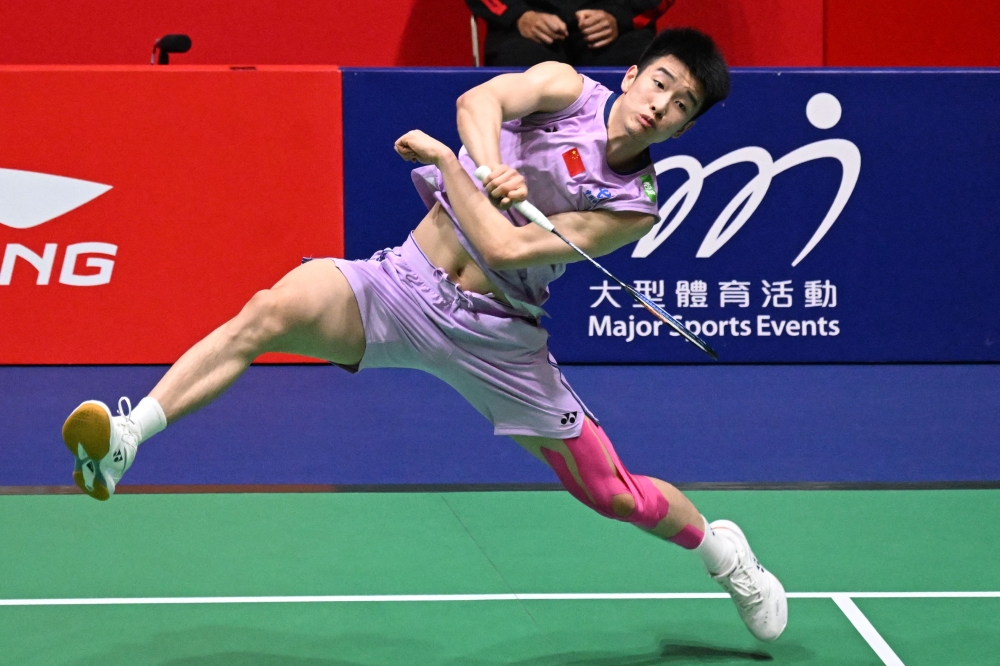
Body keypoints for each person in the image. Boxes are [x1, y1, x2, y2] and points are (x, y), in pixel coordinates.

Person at [61, 28, 787, 642]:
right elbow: (481, 100)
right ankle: (128, 437)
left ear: (684, 129)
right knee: (268, 310)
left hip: (498, 338)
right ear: (630, 76)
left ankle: (724, 553)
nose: (659, 105)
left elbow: (504, 252)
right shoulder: (566, 87)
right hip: (402, 287)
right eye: (658, 83)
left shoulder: (634, 206)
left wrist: (451, 164)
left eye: (680, 105)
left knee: (614, 493)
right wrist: (491, 162)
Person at [467, 0, 674, 67]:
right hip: (525, 25)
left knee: (636, 74)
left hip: (617, 26)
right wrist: (518, 15)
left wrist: (620, 16)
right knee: (523, 69)